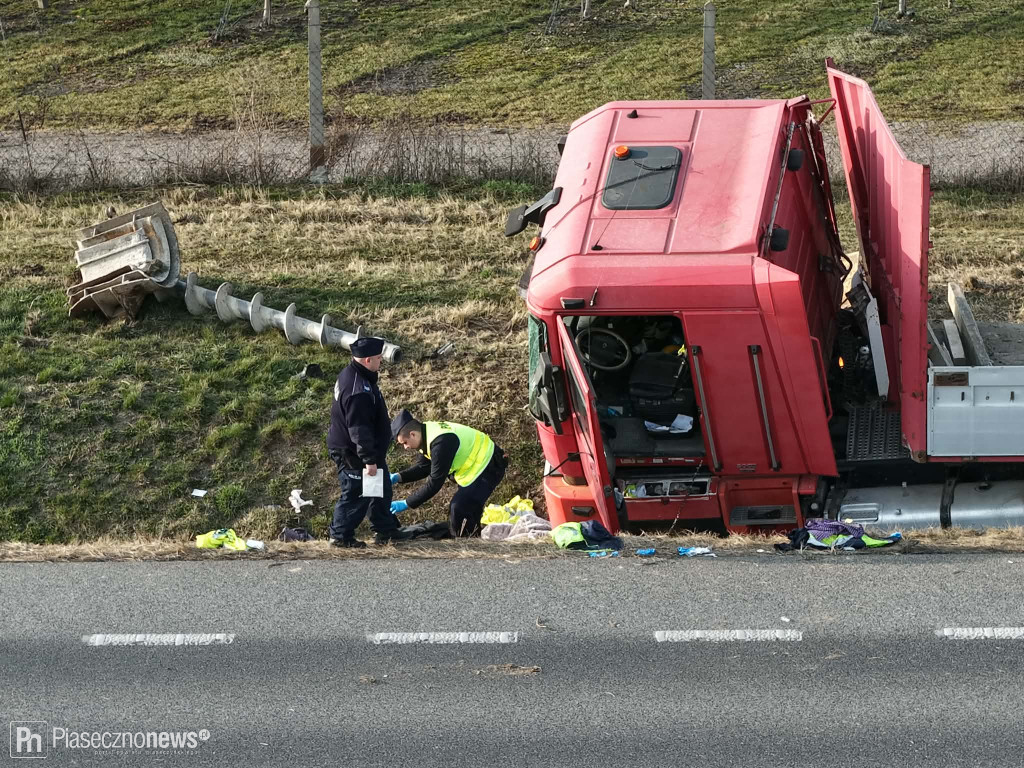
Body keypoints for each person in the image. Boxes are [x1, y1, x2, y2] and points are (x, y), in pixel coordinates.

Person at [326, 337, 409, 547]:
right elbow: (358, 429)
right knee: (356, 491)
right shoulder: (357, 391)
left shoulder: (359, 375)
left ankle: (385, 529)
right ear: (367, 360)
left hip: (367, 449)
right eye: (379, 358)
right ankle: (341, 536)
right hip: (353, 451)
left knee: (379, 488)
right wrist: (369, 460)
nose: (381, 362)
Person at [388, 409, 507, 537]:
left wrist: (407, 503)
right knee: (467, 508)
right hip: (478, 466)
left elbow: (434, 483)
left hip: (489, 464)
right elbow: (424, 467)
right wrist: (398, 477)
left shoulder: (440, 442)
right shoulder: (426, 432)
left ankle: (468, 546)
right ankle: (472, 538)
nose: (405, 447)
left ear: (412, 434)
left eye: (404, 443)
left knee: (460, 507)